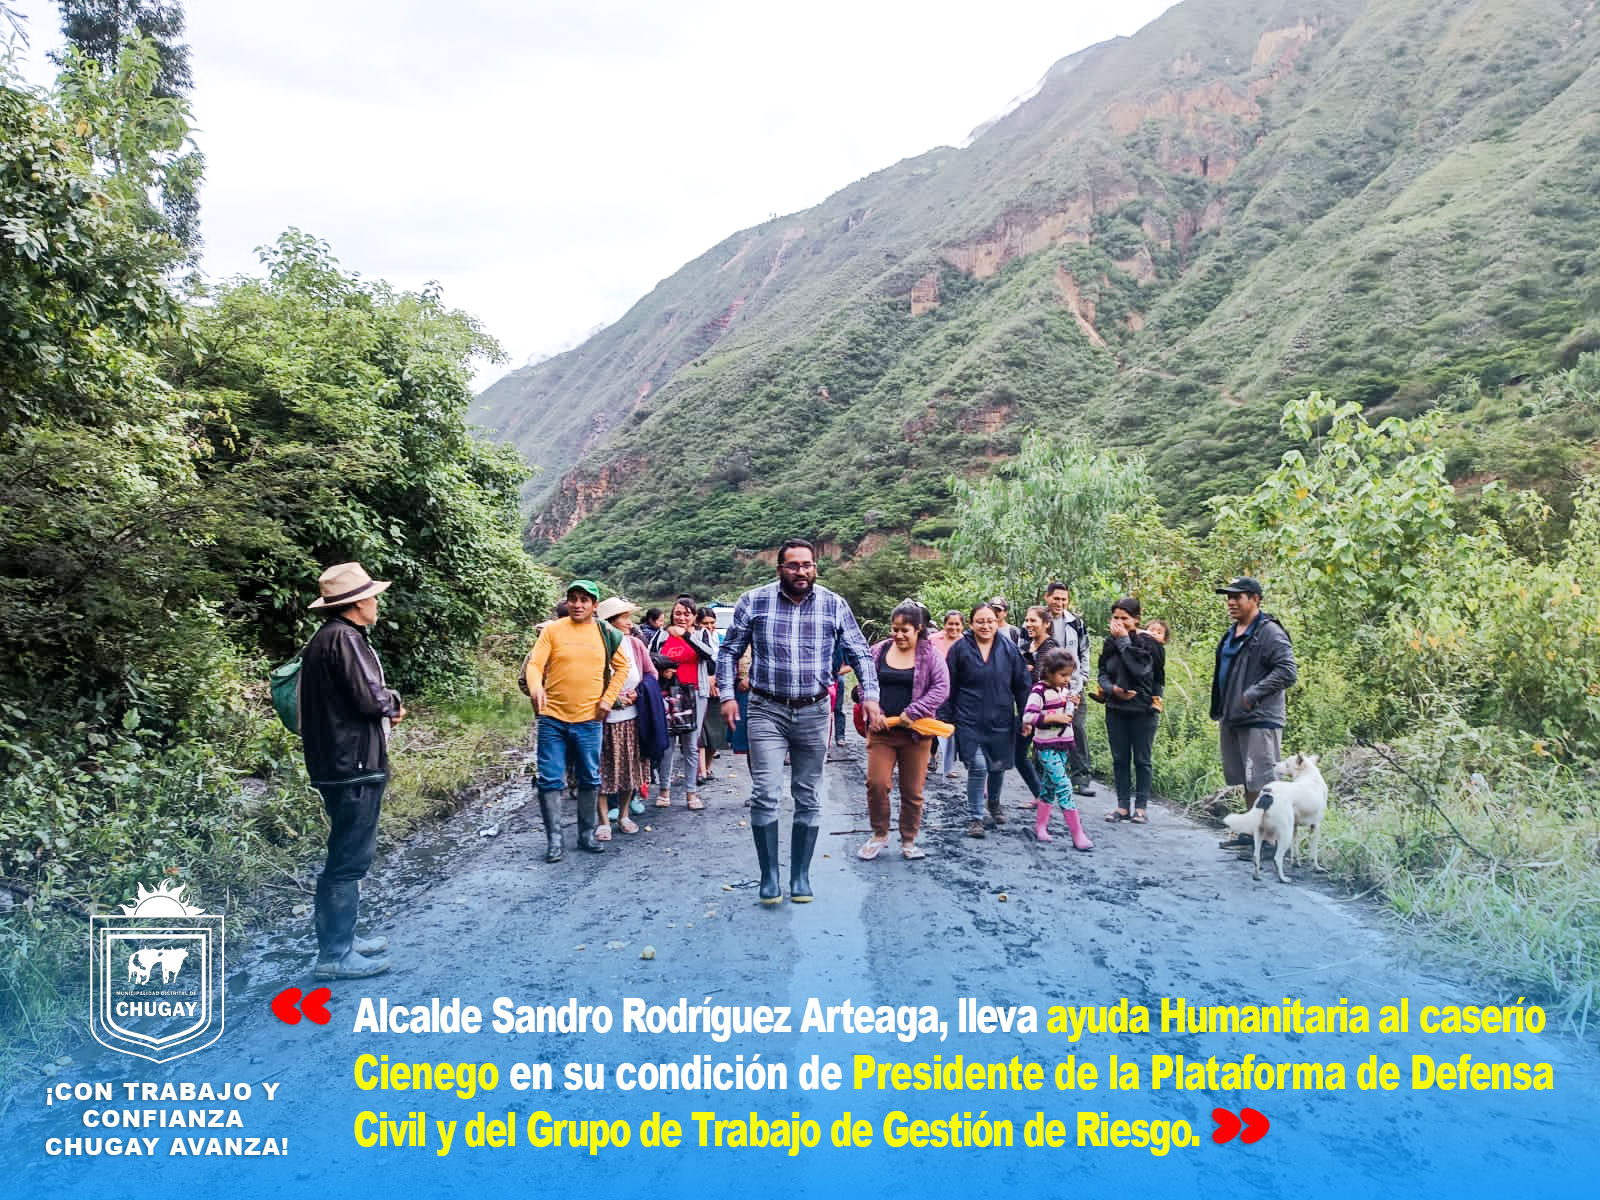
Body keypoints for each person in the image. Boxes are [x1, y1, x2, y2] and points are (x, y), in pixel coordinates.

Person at [718, 537, 879, 904]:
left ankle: (801, 876)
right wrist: (728, 696)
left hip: (814, 710)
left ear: (815, 567)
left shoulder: (833, 604)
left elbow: (861, 655)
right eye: (793, 565)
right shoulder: (753, 601)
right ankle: (770, 876)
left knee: (808, 794)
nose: (802, 571)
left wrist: (870, 695)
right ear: (780, 570)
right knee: (765, 793)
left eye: (807, 565)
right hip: (766, 708)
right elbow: (729, 652)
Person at [300, 562, 405, 980]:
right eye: (373, 596)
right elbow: (369, 699)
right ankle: (335, 955)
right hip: (353, 764)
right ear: (359, 602)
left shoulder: (328, 638)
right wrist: (393, 704)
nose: (376, 602)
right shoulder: (344, 639)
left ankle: (342, 939)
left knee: (344, 852)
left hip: (337, 761)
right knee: (348, 858)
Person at [524, 579, 630, 860]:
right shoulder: (553, 631)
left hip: (589, 719)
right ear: (567, 602)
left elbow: (622, 667)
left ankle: (585, 835)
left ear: (595, 606)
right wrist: (536, 688)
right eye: (573, 599)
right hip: (552, 719)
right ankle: (554, 841)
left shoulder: (607, 633)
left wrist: (608, 699)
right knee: (549, 779)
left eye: (585, 600)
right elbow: (535, 664)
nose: (578, 604)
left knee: (589, 777)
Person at [858, 601, 949, 862]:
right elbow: (866, 680)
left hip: (916, 734)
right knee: (877, 784)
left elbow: (941, 688)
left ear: (918, 629)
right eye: (895, 629)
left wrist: (915, 711)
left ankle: (908, 839)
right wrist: (873, 709)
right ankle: (879, 833)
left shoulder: (931, 655)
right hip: (881, 731)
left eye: (904, 630)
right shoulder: (879, 651)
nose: (898, 635)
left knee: (912, 790)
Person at [1211, 577, 1297, 844]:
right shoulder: (1233, 631)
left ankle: (1270, 840)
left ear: (1256, 599)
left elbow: (1287, 671)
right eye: (1229, 597)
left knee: (1263, 780)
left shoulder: (1269, 632)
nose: (1231, 602)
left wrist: (1253, 694)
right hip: (1234, 716)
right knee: (1247, 780)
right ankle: (1252, 835)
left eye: (1238, 597)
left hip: (1260, 718)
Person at [945, 602, 1030, 838]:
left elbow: (1022, 684)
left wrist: (1026, 715)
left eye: (990, 621)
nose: (985, 625)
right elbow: (948, 686)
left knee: (997, 765)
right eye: (980, 621)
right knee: (978, 766)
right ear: (971, 624)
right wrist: (946, 719)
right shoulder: (960, 649)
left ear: (997, 622)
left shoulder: (1009, 649)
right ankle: (975, 817)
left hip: (1001, 717)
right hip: (967, 718)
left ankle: (994, 802)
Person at [1098, 597, 1166, 824]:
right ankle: (1122, 806)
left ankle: (1141, 808)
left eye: (1124, 618)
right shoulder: (1110, 642)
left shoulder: (1150, 643)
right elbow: (1102, 672)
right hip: (1115, 707)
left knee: (1142, 759)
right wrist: (1112, 689)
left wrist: (1124, 641)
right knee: (1120, 759)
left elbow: (1142, 671)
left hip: (1143, 709)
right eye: (1115, 617)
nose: (1119, 622)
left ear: (1136, 619)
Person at [1022, 647, 1091, 849]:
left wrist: (1071, 705)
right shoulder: (1039, 691)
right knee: (1064, 786)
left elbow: (1067, 713)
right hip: (1046, 748)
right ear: (1049, 672)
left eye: (1069, 675)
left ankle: (1041, 827)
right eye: (1062, 675)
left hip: (1063, 746)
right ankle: (1077, 834)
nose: (1066, 679)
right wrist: (1052, 717)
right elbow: (1028, 716)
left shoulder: (1064, 690)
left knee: (1049, 788)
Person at [596, 596, 652, 837]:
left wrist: (638, 694)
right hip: (602, 719)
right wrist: (613, 699)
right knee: (600, 770)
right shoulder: (597, 645)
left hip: (631, 719)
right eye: (624, 618)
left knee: (631, 769)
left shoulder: (635, 645)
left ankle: (624, 815)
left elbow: (651, 674)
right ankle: (603, 821)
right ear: (609, 622)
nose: (630, 622)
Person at [655, 595, 716, 808]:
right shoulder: (661, 635)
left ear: (694, 616)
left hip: (695, 693)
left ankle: (691, 793)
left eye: (687, 614)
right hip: (668, 694)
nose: (682, 617)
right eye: (678, 613)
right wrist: (663, 671)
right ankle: (664, 791)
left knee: (691, 745)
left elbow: (708, 655)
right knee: (668, 745)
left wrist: (687, 636)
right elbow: (650, 658)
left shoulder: (701, 634)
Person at [1045, 581, 1095, 797]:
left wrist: (1082, 678)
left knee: (1077, 728)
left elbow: (1085, 651)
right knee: (1047, 728)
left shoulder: (1076, 623)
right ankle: (1046, 776)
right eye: (1056, 598)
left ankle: (1081, 778)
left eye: (1064, 599)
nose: (1060, 603)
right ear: (1047, 598)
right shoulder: (1040, 620)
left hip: (1074, 685)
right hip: (1047, 686)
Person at [1012, 604, 1059, 804]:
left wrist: (1025, 670)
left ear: (1046, 624)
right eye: (1027, 620)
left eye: (1033, 621)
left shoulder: (1050, 648)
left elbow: (1041, 680)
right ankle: (1041, 795)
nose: (1028, 624)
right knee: (1021, 754)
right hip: (1025, 707)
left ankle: (1046, 796)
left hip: (1041, 710)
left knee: (1037, 755)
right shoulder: (1028, 647)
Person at [927, 610, 965, 776]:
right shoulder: (933, 640)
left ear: (963, 626)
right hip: (935, 689)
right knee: (935, 724)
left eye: (957, 624)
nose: (954, 627)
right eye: (951, 623)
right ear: (944, 625)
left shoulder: (967, 642)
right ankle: (930, 756)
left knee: (951, 728)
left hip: (958, 691)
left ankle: (948, 766)